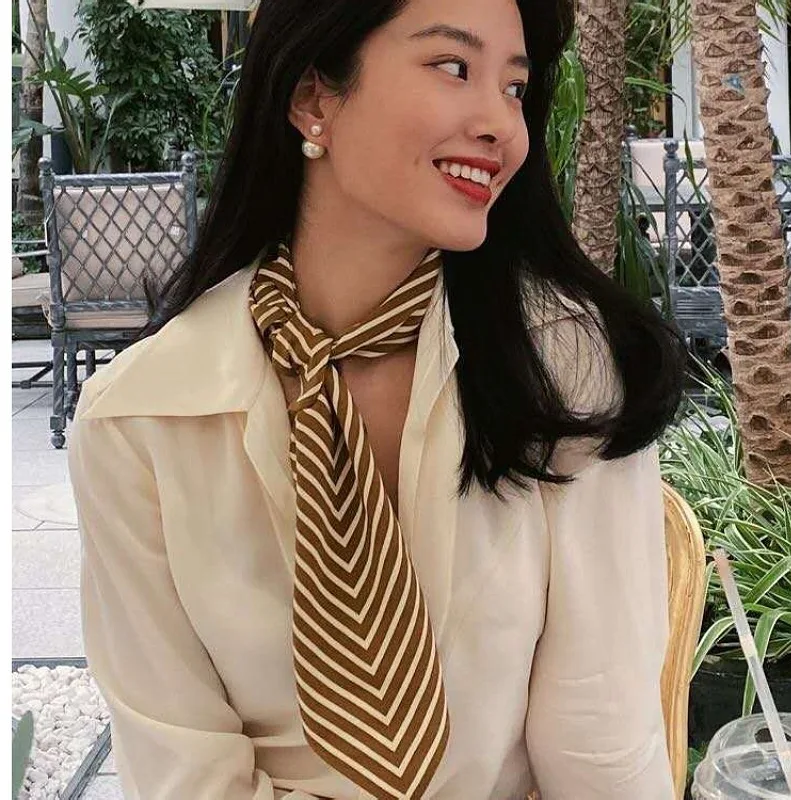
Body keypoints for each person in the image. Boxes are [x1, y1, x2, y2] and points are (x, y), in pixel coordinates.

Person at [68, 0, 688, 797]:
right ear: (312, 99)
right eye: (454, 67)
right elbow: (180, 767)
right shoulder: (138, 418)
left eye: (513, 87)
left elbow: (600, 741)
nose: (500, 124)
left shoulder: (563, 367)